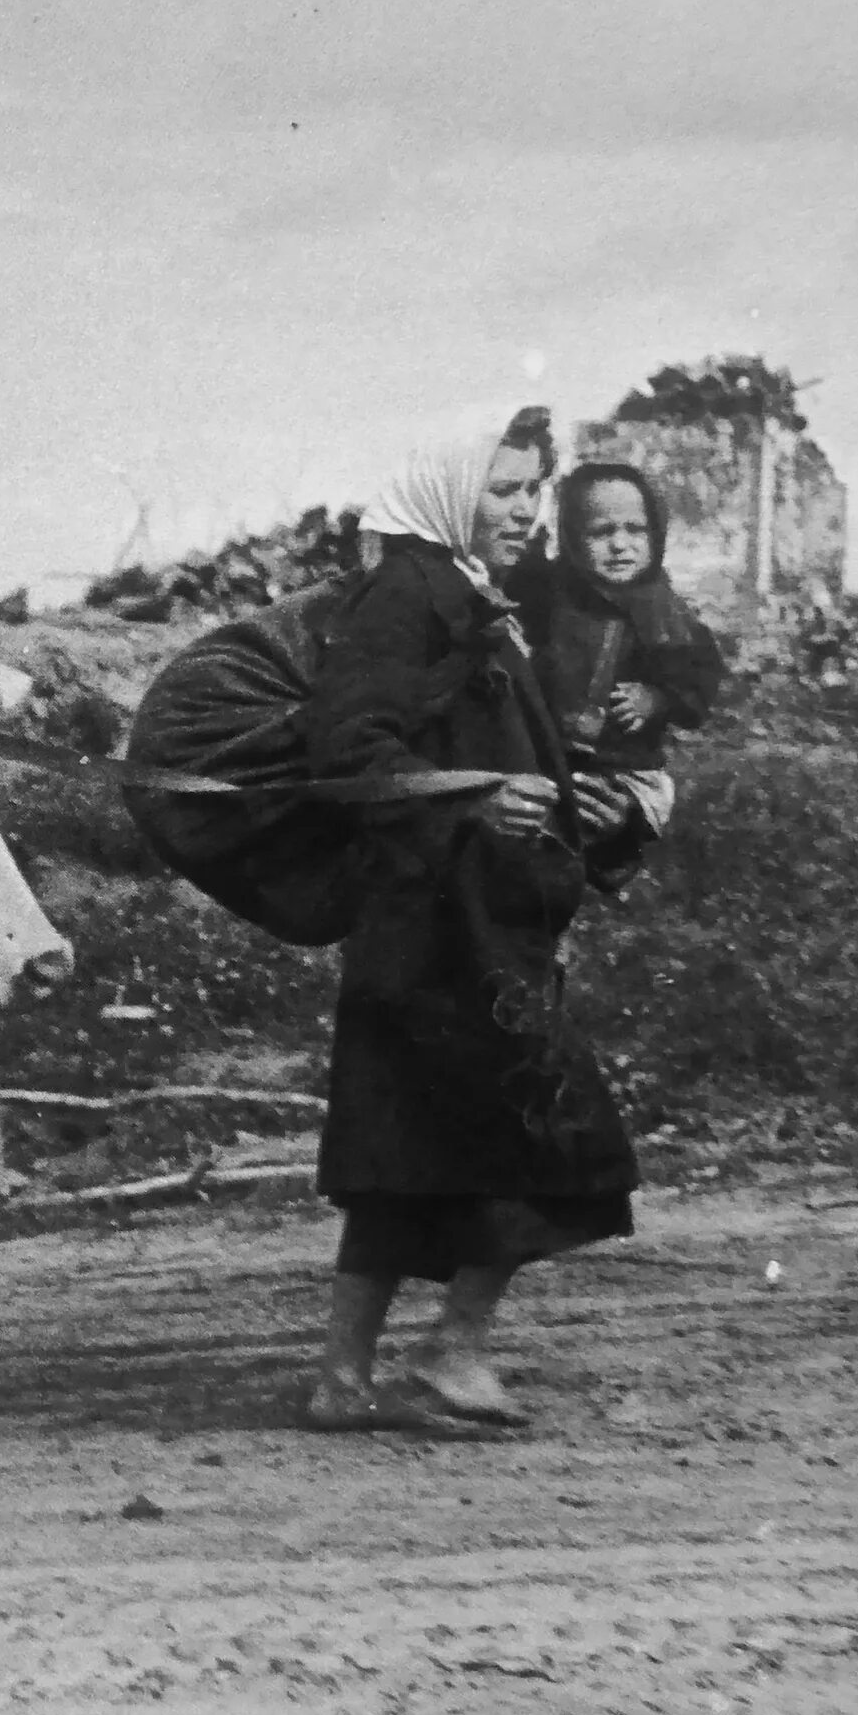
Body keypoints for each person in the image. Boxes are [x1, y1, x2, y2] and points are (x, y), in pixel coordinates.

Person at [298, 421, 650, 1432]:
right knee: (550, 1135)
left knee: (404, 1162)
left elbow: (489, 739)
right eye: (503, 489)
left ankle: (342, 1379)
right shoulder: (408, 597)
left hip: (451, 930)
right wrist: (472, 805)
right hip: (442, 932)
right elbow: (350, 748)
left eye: (533, 489)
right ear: (453, 489)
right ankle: (451, 1354)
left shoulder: (457, 592)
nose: (526, 508)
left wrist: (592, 806)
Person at [506, 460, 725, 829]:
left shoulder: (665, 610)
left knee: (625, 813)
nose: (620, 545)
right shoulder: (552, 595)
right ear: (573, 538)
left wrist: (657, 699)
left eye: (635, 530)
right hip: (550, 758)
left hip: (625, 766)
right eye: (601, 532)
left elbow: (698, 679)